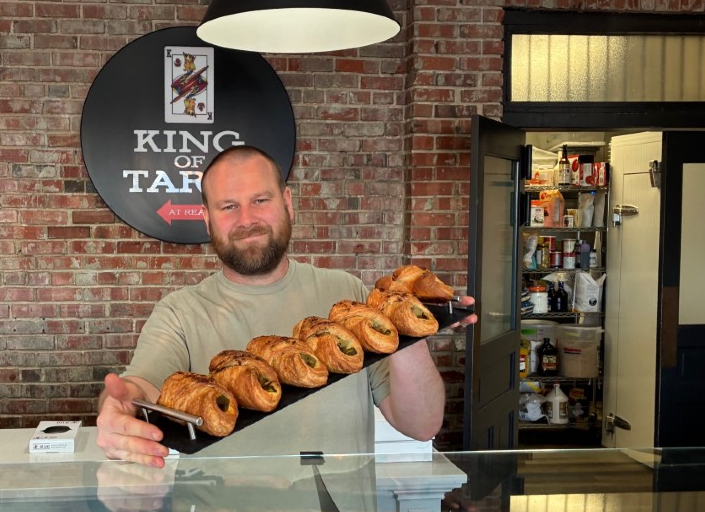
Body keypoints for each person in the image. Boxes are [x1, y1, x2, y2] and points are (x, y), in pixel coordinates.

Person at [96, 144, 472, 468]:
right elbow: (139, 387)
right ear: (208, 219)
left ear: (287, 203)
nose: (247, 220)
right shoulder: (180, 312)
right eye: (229, 206)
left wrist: (409, 328)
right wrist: (121, 408)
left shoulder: (349, 296)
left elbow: (422, 425)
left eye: (260, 200)